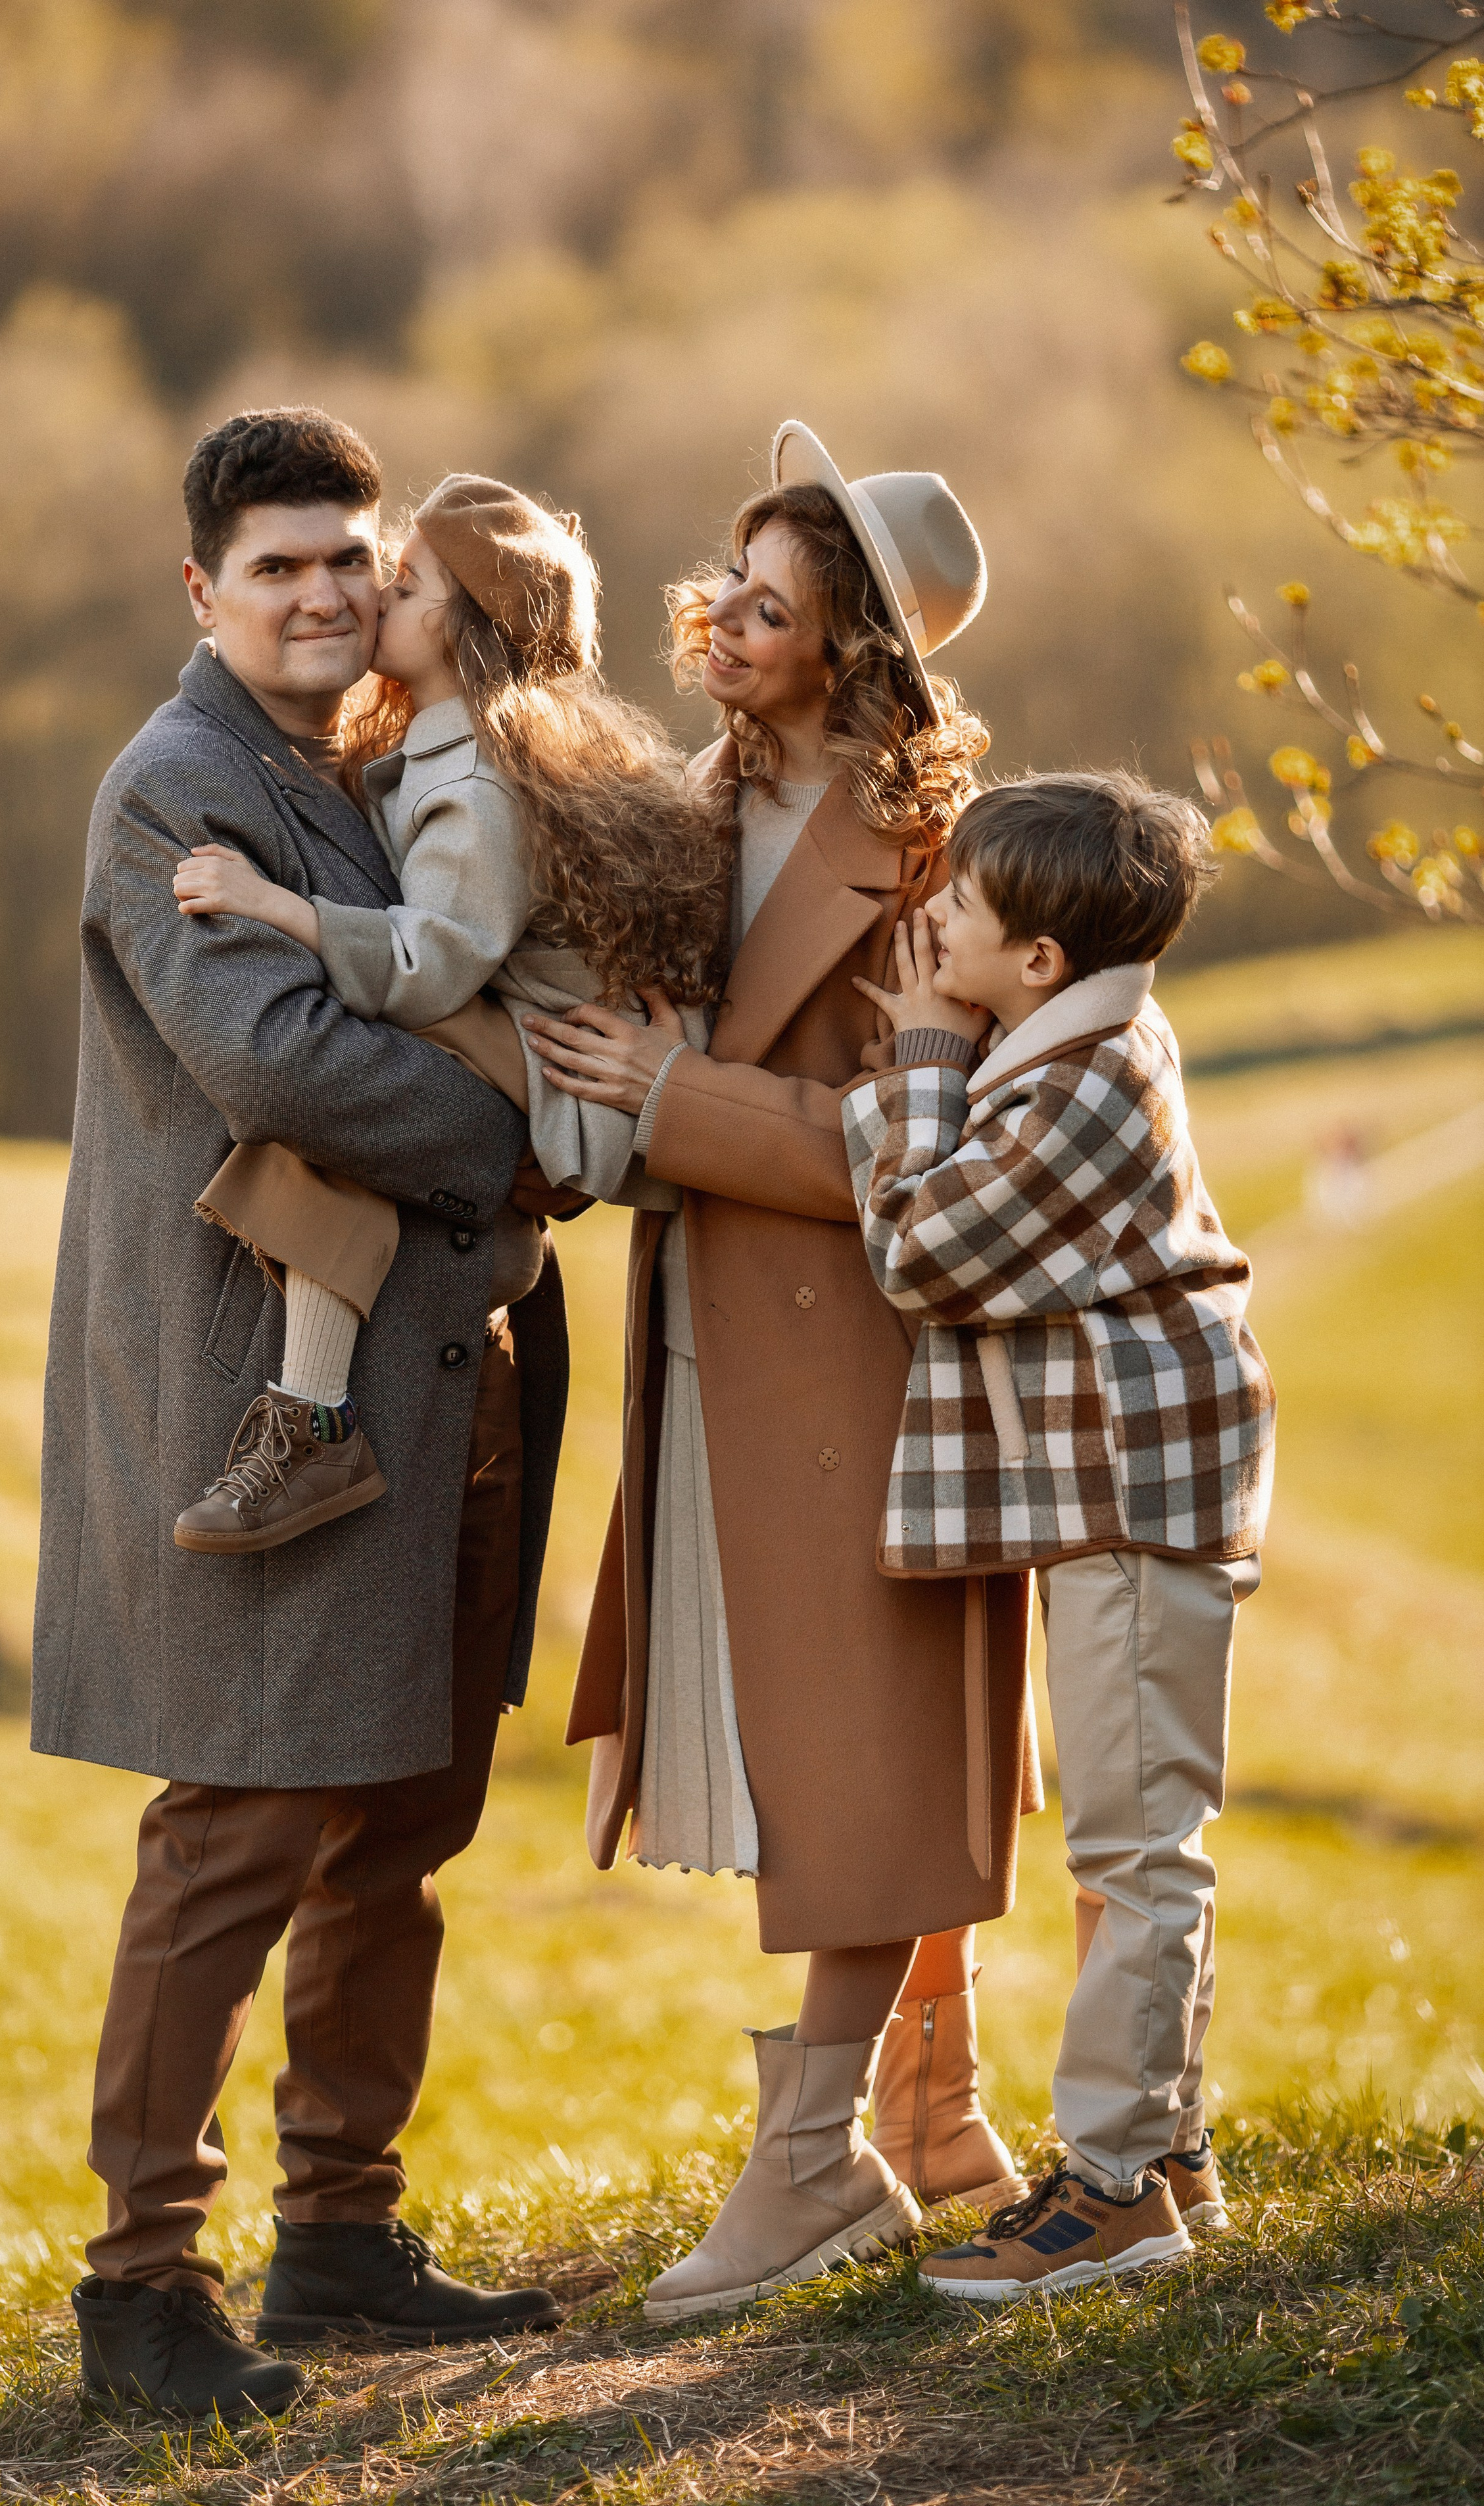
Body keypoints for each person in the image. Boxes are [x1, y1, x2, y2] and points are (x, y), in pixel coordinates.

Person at [34, 407, 571, 2422]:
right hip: (268, 1401)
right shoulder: (170, 790)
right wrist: (545, 1121)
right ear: (203, 589)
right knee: (236, 1827)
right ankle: (140, 2287)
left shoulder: (383, 744)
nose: (331, 594)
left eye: (353, 556)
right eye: (282, 567)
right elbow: (287, 1071)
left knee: (398, 1829)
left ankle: (340, 2236)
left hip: (449, 1374)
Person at [523, 422, 1041, 2325]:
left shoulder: (934, 864)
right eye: (723, 591)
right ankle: (933, 2114)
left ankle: (813, 2166)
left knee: (859, 1753)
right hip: (708, 1332)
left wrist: (678, 1100)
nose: (723, 627)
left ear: (855, 651)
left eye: (769, 604)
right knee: (818, 1741)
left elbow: (919, 1153)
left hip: (864, 1356)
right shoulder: (687, 803)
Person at [840, 770, 1275, 2300]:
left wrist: (913, 1065)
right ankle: (1162, 2149)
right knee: (1137, 1838)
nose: (930, 911)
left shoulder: (1080, 1084)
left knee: (1134, 1845)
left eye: (959, 898)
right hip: (1124, 1483)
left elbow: (921, 1252)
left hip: (1135, 1495)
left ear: (1036, 962)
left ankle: (1108, 2189)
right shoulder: (1075, 1041)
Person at [166, 473, 724, 1553]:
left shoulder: (474, 783)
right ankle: (320, 1399)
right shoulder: (456, 746)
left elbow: (429, 969)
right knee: (342, 1082)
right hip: (532, 1047)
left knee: (335, 1086)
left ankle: (314, 1413)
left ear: (461, 631)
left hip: (566, 1081)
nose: (370, 594)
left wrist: (277, 906)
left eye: (402, 581)